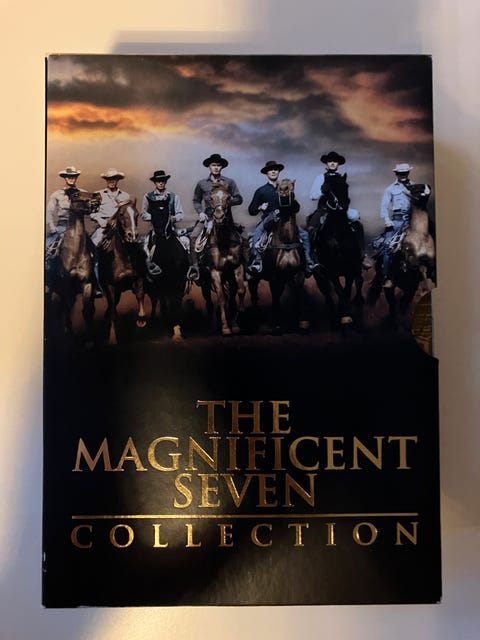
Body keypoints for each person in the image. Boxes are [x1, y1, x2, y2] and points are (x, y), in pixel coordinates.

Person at [248, 160, 317, 275]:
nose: (273, 171)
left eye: (275, 169)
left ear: (278, 172)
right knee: (256, 235)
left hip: (286, 220)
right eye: (270, 170)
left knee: (304, 235)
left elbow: (296, 208)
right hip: (269, 219)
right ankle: (257, 261)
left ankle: (309, 261)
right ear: (266, 173)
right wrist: (260, 207)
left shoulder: (286, 187)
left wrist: (292, 196)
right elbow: (251, 210)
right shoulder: (261, 191)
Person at [309, 151, 371, 269]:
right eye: (330, 161)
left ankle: (362, 255)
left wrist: (344, 205)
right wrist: (322, 192)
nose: (332, 163)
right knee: (312, 228)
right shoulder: (320, 178)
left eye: (335, 161)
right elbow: (312, 196)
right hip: (324, 209)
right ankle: (312, 259)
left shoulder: (341, 178)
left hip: (340, 210)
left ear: (338, 164)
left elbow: (345, 197)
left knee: (358, 225)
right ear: (326, 164)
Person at [188, 153, 243, 281]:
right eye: (214, 165)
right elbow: (196, 200)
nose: (216, 167)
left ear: (221, 167)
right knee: (193, 237)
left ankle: (248, 265)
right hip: (207, 218)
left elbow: (239, 198)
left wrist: (227, 201)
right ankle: (195, 267)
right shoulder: (202, 183)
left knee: (244, 237)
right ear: (209, 166)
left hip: (225, 219)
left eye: (218, 165)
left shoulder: (229, 182)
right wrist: (200, 212)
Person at [45, 166, 85, 292]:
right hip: (63, 226)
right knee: (48, 250)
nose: (71, 178)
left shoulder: (83, 193)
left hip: (78, 227)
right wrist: (52, 227)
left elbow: (91, 210)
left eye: (74, 176)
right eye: (69, 176)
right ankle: (48, 282)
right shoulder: (57, 194)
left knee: (93, 251)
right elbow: (49, 212)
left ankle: (95, 284)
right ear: (65, 178)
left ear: (76, 177)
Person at [141, 169, 187, 277]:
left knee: (185, 244)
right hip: (154, 230)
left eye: (163, 181)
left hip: (170, 229)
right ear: (155, 183)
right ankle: (147, 273)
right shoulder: (147, 196)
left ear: (166, 182)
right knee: (144, 248)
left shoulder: (174, 196)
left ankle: (189, 269)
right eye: (158, 181)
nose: (161, 183)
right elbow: (143, 214)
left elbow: (180, 214)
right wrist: (156, 217)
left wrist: (173, 218)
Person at [380, 163, 414, 288]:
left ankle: (431, 271)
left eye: (405, 173)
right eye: (400, 173)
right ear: (396, 174)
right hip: (397, 221)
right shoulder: (390, 189)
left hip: (413, 220)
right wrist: (387, 219)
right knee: (387, 246)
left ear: (408, 173)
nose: (403, 175)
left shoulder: (415, 186)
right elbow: (384, 206)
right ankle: (387, 277)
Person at [91, 168, 130, 246]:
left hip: (120, 228)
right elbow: (92, 213)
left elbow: (128, 214)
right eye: (109, 179)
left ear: (117, 180)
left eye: (114, 179)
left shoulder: (125, 196)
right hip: (103, 227)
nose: (111, 181)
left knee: (133, 245)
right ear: (106, 180)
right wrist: (101, 221)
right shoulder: (98, 194)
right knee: (94, 244)